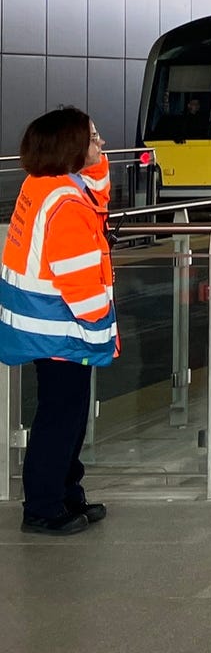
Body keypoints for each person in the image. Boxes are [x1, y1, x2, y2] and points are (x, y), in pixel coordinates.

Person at [1, 108, 118, 535]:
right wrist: (97, 330)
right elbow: (80, 279)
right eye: (92, 138)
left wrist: (95, 163)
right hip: (62, 329)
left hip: (45, 325)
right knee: (60, 417)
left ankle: (67, 492)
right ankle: (44, 507)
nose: (100, 142)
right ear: (71, 149)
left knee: (67, 413)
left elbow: (98, 197)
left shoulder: (47, 185)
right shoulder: (66, 204)